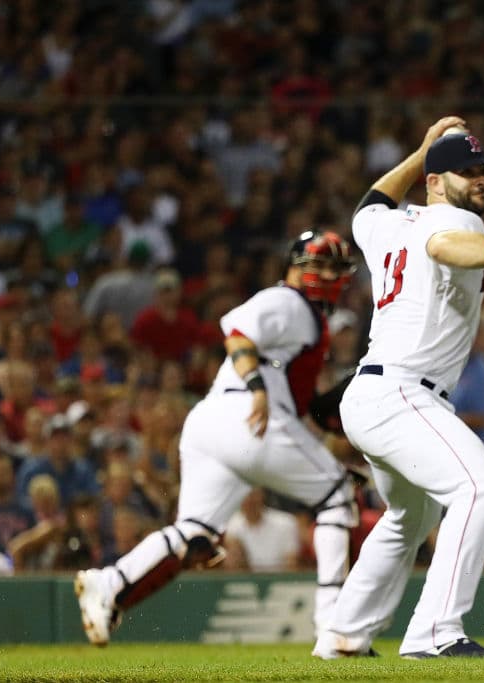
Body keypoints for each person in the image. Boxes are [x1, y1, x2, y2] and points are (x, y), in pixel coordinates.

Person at [74, 229, 360, 653]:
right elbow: (237, 332)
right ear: (294, 265)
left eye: (335, 267)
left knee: (195, 534)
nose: (328, 274)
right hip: (247, 413)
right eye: (318, 264)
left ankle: (110, 582)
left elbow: (304, 402)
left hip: (212, 421)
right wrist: (259, 388)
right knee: (338, 497)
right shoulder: (286, 300)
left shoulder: (306, 319)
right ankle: (332, 628)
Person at [314, 117, 484, 660]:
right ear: (434, 183)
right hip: (403, 394)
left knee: (412, 515)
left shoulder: (387, 225)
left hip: (374, 393)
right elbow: (450, 247)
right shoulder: (457, 220)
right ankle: (435, 633)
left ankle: (343, 636)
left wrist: (423, 150)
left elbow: (369, 203)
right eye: (465, 170)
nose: (480, 180)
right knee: (483, 487)